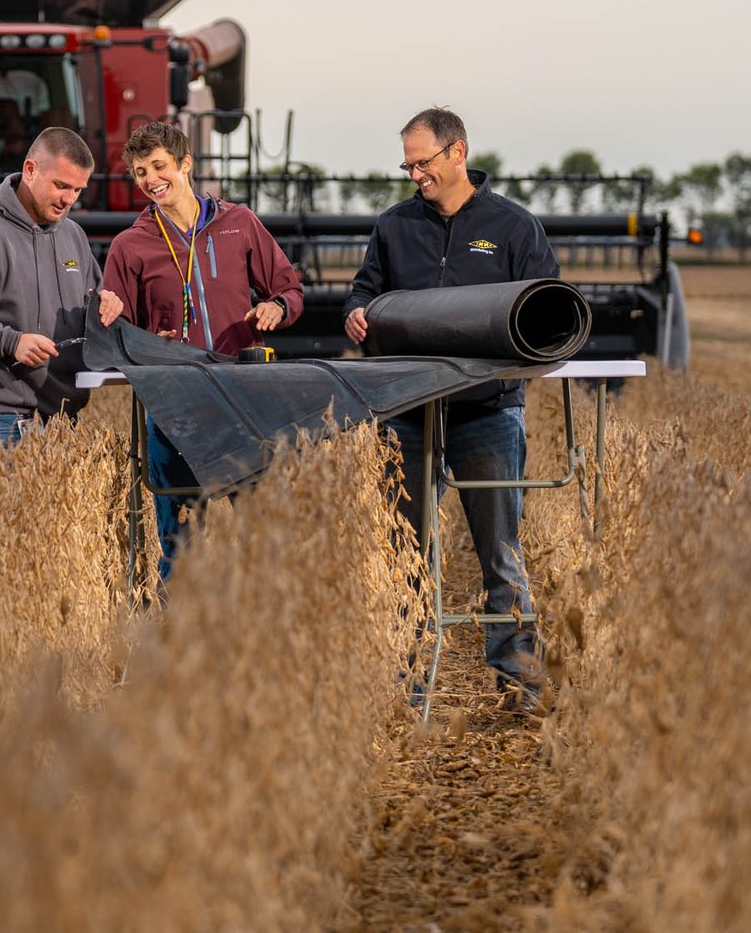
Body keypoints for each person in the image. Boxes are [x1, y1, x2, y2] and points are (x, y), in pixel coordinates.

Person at [345, 106, 557, 710]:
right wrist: (357, 313)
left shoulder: (514, 227)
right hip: (407, 411)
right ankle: (407, 686)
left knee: (501, 554)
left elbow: (545, 305)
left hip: (487, 415)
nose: (415, 174)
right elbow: (365, 291)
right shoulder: (393, 227)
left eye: (423, 162)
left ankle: (519, 684)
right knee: (407, 551)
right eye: (407, 165)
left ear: (458, 152)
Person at [102, 119, 305, 576]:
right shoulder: (128, 247)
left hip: (241, 398)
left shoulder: (241, 223)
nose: (150, 180)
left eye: (159, 166)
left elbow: (290, 291)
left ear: (186, 164)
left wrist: (275, 308)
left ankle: (260, 633)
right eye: (139, 172)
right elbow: (118, 332)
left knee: (258, 526)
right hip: (172, 404)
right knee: (179, 536)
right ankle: (178, 639)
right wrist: (148, 342)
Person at [0, 126, 123, 445]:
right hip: (4, 424)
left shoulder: (74, 236)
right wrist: (11, 342)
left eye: (77, 190)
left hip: (65, 425)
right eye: (61, 185)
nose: (68, 200)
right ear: (30, 170)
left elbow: (89, 313)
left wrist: (105, 306)